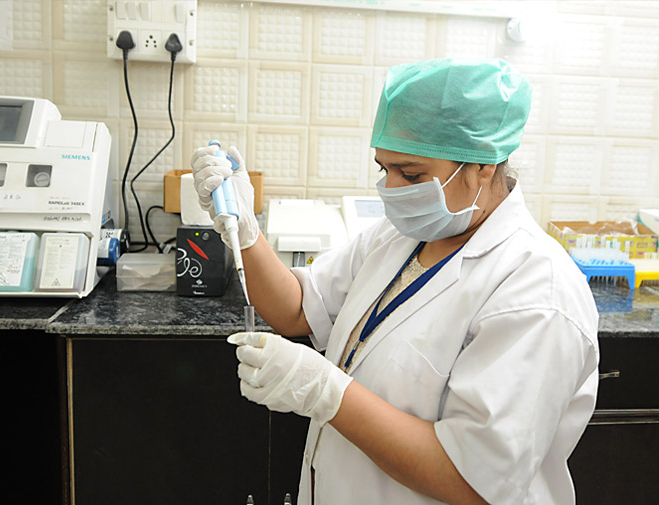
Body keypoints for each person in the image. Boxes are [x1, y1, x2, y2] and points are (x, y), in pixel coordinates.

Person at [190, 58, 599, 505]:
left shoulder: (537, 291)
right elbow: (296, 308)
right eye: (385, 169)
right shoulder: (405, 234)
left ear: (484, 164)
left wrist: (327, 392)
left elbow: (474, 482)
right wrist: (245, 230)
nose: (393, 188)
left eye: (412, 174)